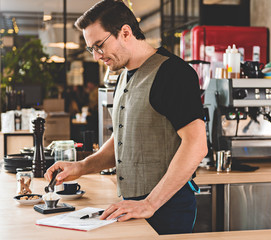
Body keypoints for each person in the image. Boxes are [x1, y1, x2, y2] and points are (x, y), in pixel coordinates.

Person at [44, 0, 207, 235]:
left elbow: (197, 144)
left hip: (167, 207)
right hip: (132, 205)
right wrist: (81, 167)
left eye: (99, 45)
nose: (97, 56)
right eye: (92, 49)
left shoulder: (173, 73)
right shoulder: (123, 77)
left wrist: (150, 203)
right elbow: (123, 140)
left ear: (125, 32)